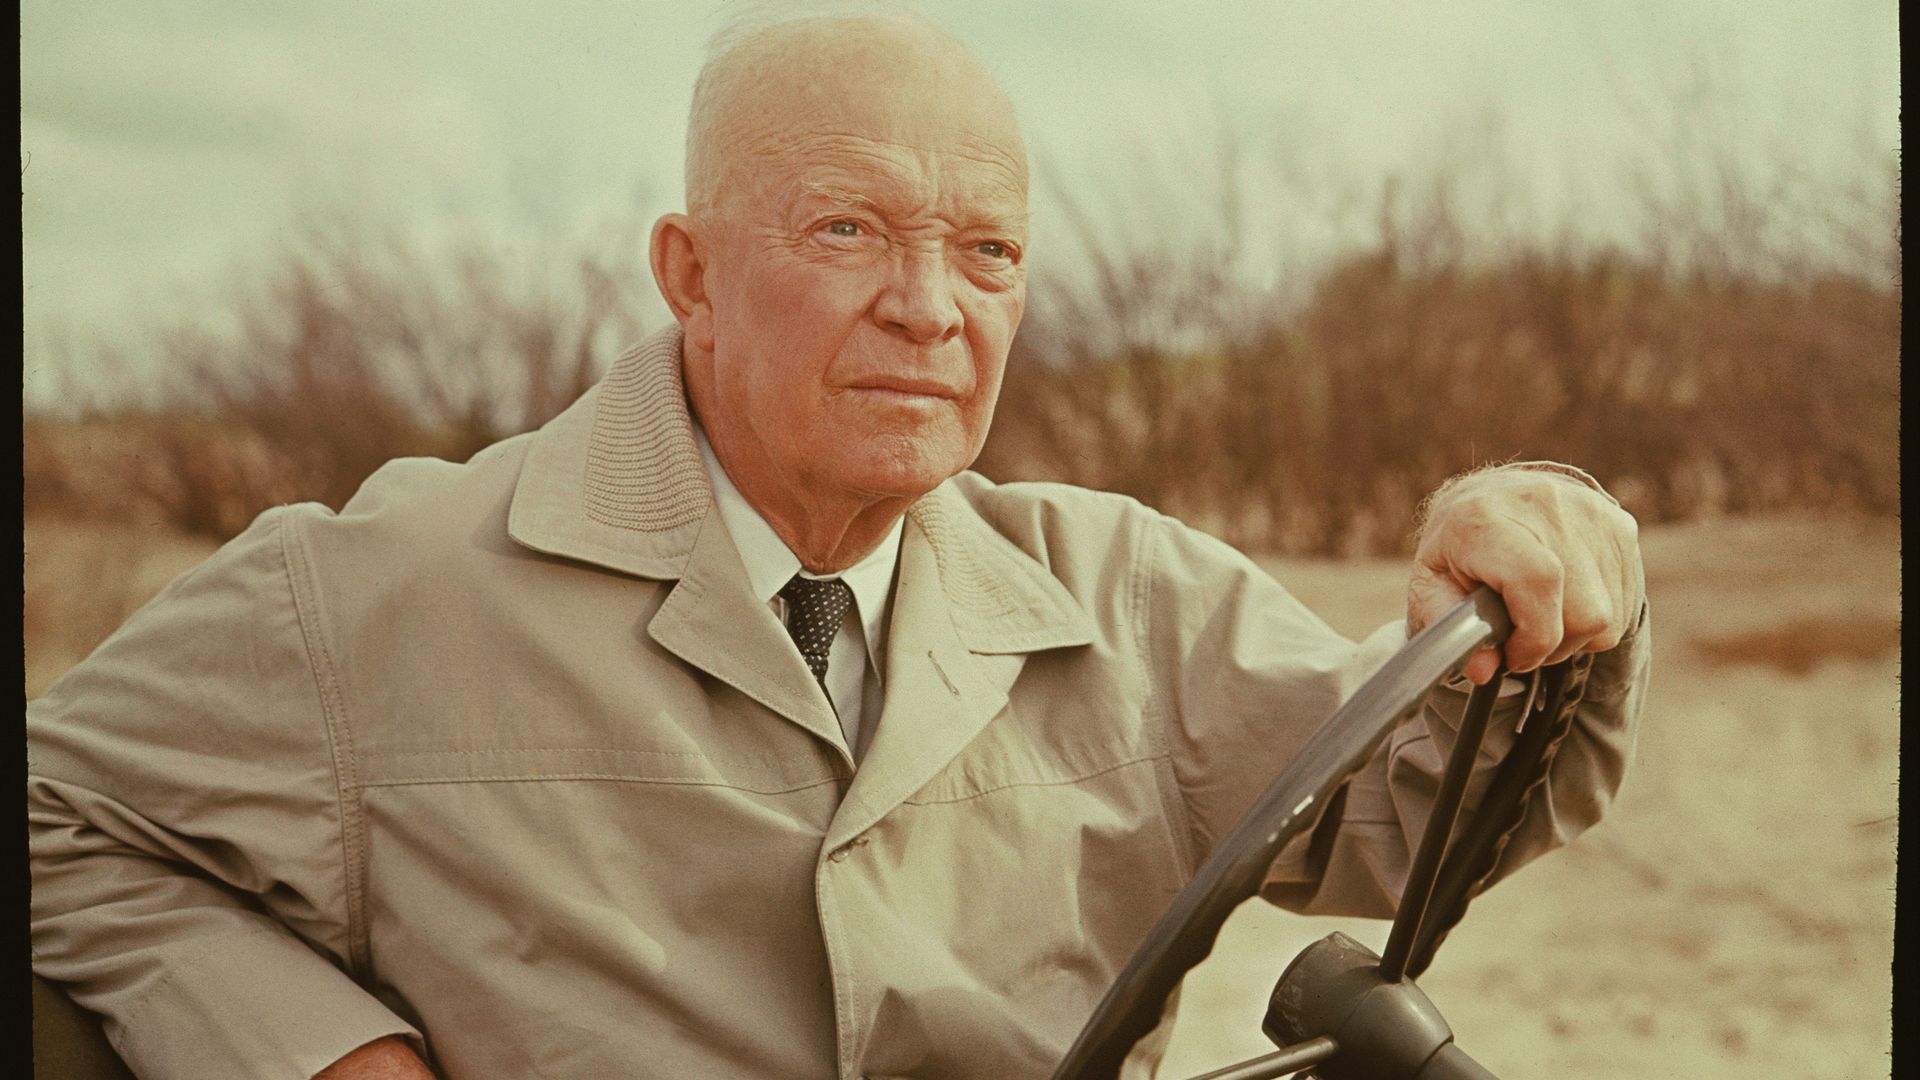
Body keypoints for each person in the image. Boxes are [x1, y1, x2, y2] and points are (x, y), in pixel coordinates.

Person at [27, 8, 1649, 1079]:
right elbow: (55, 817)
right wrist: (322, 1054)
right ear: (691, 271)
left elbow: (1420, 809)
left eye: (988, 250)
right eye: (849, 229)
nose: (930, 308)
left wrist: (1542, 555)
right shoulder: (373, 589)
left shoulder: (1127, 596)